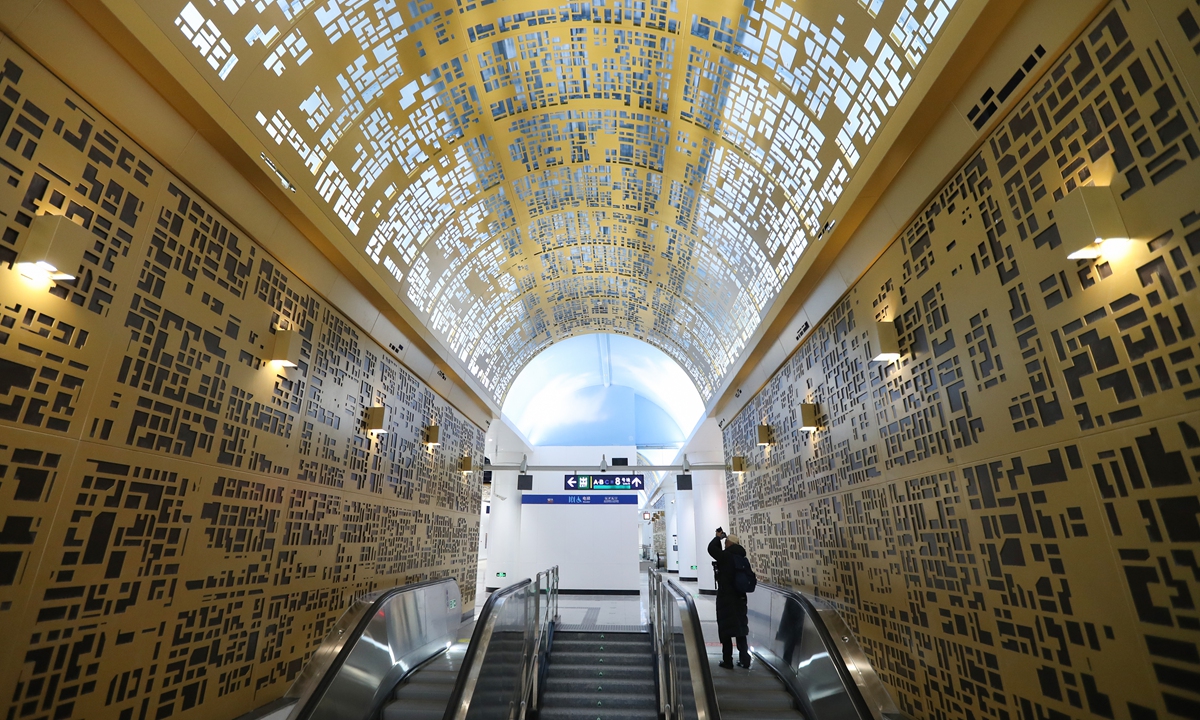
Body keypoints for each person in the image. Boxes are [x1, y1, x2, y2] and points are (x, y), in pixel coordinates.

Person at [708, 528, 751, 669]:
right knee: (740, 629)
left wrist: (717, 537)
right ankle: (745, 659)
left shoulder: (726, 557)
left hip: (726, 597)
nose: (724, 544)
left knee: (726, 630)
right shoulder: (743, 559)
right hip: (740, 598)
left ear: (730, 544)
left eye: (726, 542)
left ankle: (728, 660)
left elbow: (711, 549)